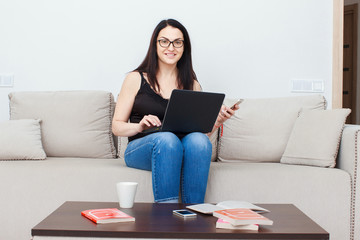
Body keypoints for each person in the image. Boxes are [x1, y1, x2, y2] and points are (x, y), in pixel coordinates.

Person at [112, 19, 239, 204]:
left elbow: (199, 134)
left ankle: (195, 214)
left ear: (184, 47)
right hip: (142, 149)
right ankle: (166, 218)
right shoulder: (135, 78)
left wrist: (218, 121)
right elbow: (116, 127)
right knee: (167, 139)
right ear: (155, 44)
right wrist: (139, 126)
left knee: (198, 140)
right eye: (164, 41)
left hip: (178, 148)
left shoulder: (193, 85)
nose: (171, 47)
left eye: (177, 42)